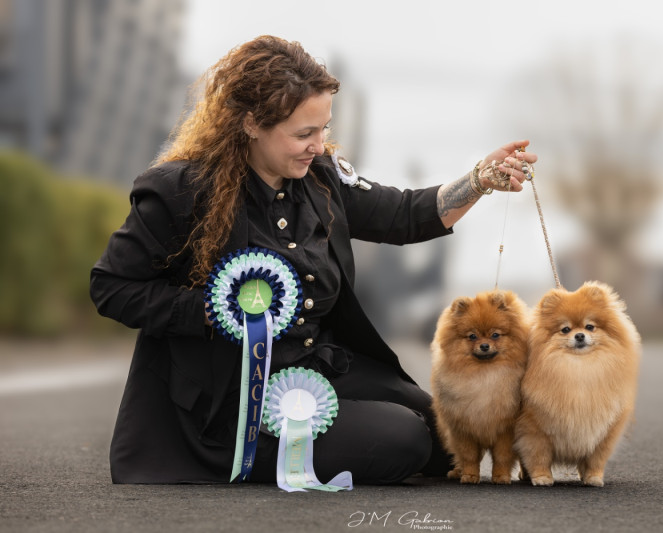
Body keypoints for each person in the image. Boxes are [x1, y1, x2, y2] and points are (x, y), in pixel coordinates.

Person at [90, 35, 538, 484]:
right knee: (407, 440)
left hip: (318, 367)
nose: (320, 146)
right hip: (232, 399)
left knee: (447, 435)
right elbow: (111, 287)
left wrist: (481, 180)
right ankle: (254, 455)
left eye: (324, 128)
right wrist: (213, 309)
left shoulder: (321, 177)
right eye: (304, 134)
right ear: (251, 124)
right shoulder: (178, 190)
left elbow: (403, 215)